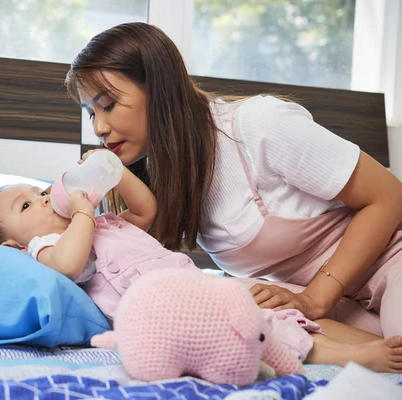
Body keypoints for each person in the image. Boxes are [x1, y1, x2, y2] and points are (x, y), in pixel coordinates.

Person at [65, 22, 402, 339]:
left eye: (108, 105)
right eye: (91, 113)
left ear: (159, 90)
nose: (99, 129)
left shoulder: (257, 125)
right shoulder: (163, 177)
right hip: (333, 303)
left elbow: (390, 196)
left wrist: (316, 298)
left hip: (389, 266)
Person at [0, 159, 402, 373]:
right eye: (27, 204)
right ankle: (359, 357)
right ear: (13, 245)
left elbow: (147, 208)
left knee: (271, 316)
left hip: (199, 292)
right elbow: (67, 266)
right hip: (171, 318)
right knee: (260, 330)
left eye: (40, 191)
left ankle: (356, 350)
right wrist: (81, 214)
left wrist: (113, 170)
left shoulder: (104, 222)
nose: (45, 198)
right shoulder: (48, 247)